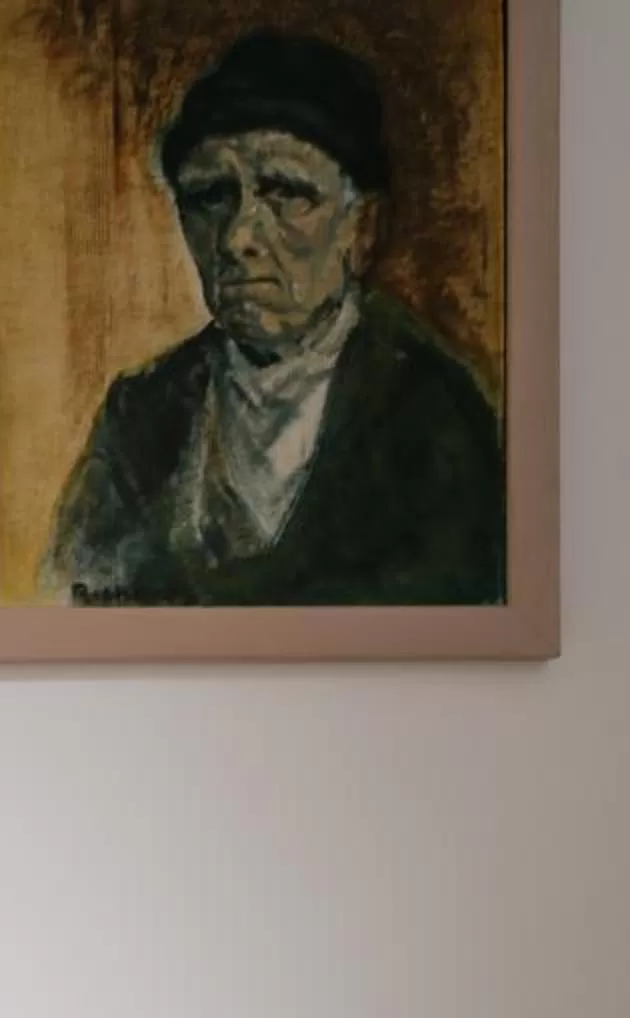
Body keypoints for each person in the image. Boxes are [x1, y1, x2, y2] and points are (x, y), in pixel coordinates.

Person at [42, 31, 506, 607]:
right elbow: (71, 600)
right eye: (211, 196)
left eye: (285, 193)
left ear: (362, 229)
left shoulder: (437, 418)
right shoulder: (141, 415)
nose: (237, 238)